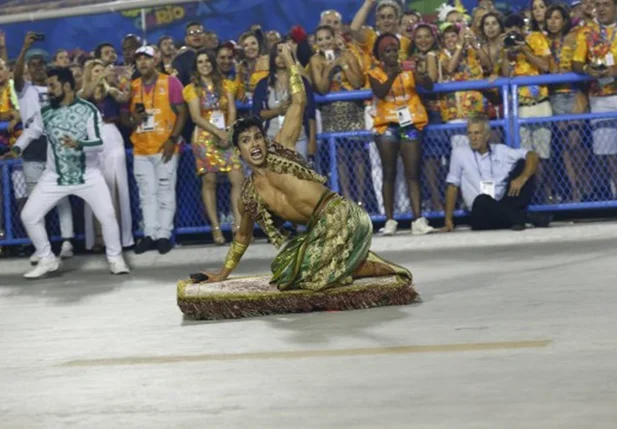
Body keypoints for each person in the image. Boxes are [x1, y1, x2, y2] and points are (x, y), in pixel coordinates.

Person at [190, 44, 412, 292]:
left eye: (257, 137)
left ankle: (369, 266)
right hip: (319, 234)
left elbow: (298, 102)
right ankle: (347, 263)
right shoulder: (249, 195)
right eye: (245, 141)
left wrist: (290, 61)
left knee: (309, 274)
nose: (254, 143)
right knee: (283, 271)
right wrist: (223, 273)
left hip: (344, 218)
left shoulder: (281, 147)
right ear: (238, 151)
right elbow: (243, 237)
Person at [7, 67, 129, 278]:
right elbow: (31, 132)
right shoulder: (46, 112)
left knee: (107, 216)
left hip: (88, 174)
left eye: (52, 85)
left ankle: (115, 259)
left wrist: (78, 144)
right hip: (54, 176)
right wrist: (18, 147)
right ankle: (47, 259)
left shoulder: (88, 110)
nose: (49, 90)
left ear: (66, 86)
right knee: (29, 215)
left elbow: (99, 142)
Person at [12, 32, 74, 263]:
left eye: (41, 64)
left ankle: (67, 241)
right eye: (33, 64)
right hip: (32, 147)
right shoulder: (24, 89)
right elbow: (16, 74)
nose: (38, 68)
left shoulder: (54, 89)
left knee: (61, 196)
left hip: (55, 144)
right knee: (34, 200)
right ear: (28, 68)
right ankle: (42, 247)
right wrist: (24, 49)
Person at [368, 33, 435, 236]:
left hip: (410, 124)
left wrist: (421, 72)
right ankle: (390, 220)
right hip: (387, 126)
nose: (392, 54)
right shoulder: (375, 72)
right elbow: (380, 92)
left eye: (395, 50)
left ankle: (418, 219)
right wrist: (392, 75)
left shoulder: (408, 68)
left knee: (412, 172)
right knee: (389, 173)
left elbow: (428, 86)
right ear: (381, 55)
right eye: (388, 51)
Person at [122, 46, 187, 255]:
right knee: (146, 193)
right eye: (139, 59)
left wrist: (173, 139)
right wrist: (133, 120)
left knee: (165, 190)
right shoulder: (133, 86)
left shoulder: (170, 82)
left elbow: (182, 113)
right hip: (141, 147)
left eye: (147, 58)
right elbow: (123, 117)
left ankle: (164, 235)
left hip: (164, 146)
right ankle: (149, 233)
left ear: (156, 59)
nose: (143, 62)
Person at [443, 114, 552, 232]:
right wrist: (448, 219)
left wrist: (522, 178)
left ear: (487, 135)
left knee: (523, 164)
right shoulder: (459, 154)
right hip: (481, 211)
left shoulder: (500, 150)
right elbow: (452, 186)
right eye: (470, 133)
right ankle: (521, 218)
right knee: (482, 200)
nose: (473, 138)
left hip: (503, 202)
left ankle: (515, 218)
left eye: (477, 133)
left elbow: (532, 155)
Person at [183, 49, 243, 244]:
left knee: (237, 177)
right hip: (205, 138)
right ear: (196, 66)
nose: (204, 65)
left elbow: (232, 109)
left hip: (226, 134)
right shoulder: (192, 89)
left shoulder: (227, 85)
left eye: (207, 61)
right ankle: (216, 228)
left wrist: (229, 132)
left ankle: (239, 225)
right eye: (200, 62)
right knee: (209, 181)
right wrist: (218, 133)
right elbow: (195, 117)